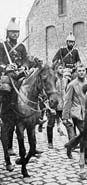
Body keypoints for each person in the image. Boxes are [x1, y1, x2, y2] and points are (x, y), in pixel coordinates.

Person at [0, 17, 30, 156]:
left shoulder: (22, 47)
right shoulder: (2, 46)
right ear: (8, 33)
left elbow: (26, 60)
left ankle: (38, 109)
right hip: (7, 74)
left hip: (19, 73)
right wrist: (6, 66)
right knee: (7, 87)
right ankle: (7, 107)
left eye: (17, 32)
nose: (15, 35)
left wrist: (24, 66)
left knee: (32, 85)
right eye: (12, 32)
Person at [62, 64, 87, 164]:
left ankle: (70, 144)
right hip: (77, 113)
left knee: (84, 134)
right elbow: (67, 101)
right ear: (76, 72)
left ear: (86, 72)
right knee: (86, 134)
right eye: (79, 71)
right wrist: (65, 116)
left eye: (83, 70)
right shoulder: (72, 84)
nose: (81, 72)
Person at [46, 63, 66, 149]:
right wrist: (49, 106)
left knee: (68, 123)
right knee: (51, 123)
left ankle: (72, 142)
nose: (62, 70)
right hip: (53, 105)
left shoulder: (65, 80)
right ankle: (50, 142)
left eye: (63, 68)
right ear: (56, 69)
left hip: (63, 104)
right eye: (60, 68)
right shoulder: (53, 80)